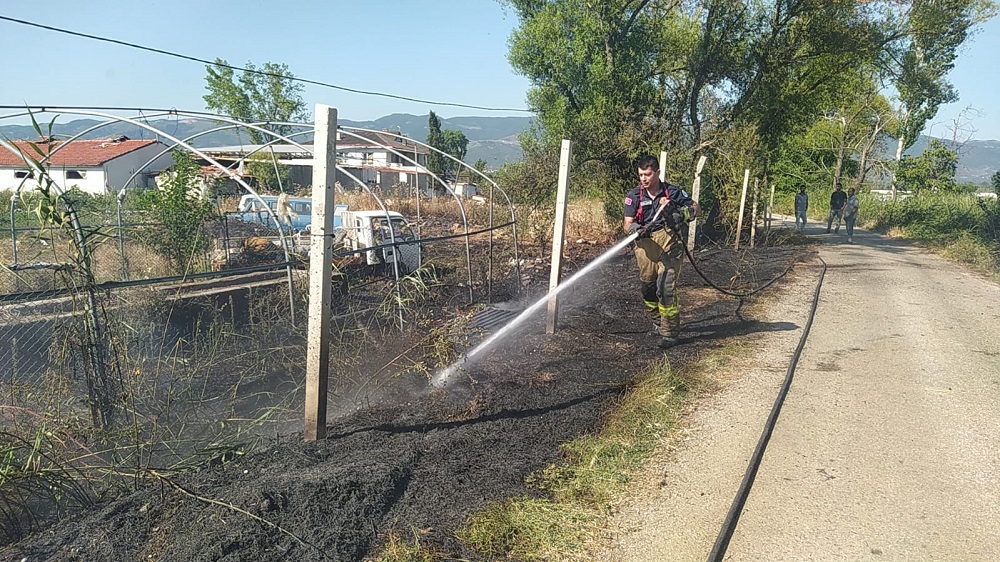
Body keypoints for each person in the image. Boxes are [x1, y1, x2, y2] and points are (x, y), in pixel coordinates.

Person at [623, 154, 699, 349]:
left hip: (669, 242)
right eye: (641, 175)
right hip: (645, 246)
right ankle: (658, 321)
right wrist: (635, 230)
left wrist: (681, 214)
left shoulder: (672, 192)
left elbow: (696, 208)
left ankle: (670, 332)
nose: (644, 179)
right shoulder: (634, 196)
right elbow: (627, 225)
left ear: (657, 172)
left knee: (665, 287)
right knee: (648, 289)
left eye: (647, 174)